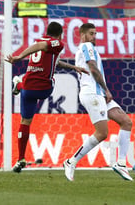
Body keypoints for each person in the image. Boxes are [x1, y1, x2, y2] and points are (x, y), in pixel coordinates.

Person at [5, 22, 88, 172]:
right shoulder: (56, 43)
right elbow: (42, 47)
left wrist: (73, 67)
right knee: (52, 79)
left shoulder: (40, 41)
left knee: (25, 122)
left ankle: (20, 159)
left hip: (28, 87)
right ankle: (18, 85)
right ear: (60, 34)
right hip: (44, 88)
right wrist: (19, 57)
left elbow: (53, 60)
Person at [63, 23, 134, 181]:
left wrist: (103, 91)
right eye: (91, 33)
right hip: (92, 92)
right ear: (83, 35)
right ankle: (71, 161)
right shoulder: (86, 46)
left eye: (95, 34)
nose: (94, 37)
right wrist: (106, 89)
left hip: (99, 93)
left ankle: (121, 163)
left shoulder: (88, 48)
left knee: (126, 122)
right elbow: (93, 68)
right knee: (102, 133)